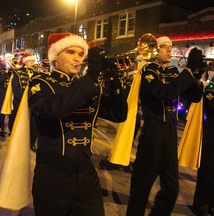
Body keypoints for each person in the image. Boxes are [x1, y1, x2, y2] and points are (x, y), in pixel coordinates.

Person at [28, 33, 128, 216]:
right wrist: (90, 77)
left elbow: (118, 114)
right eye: (71, 52)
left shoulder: (85, 86)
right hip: (53, 175)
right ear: (55, 57)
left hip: (86, 173)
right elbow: (52, 109)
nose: (78, 58)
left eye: (81, 54)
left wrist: (114, 81)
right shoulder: (40, 83)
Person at [126, 36, 204, 216]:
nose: (170, 50)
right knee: (141, 189)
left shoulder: (173, 71)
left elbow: (194, 97)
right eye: (164, 47)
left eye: (171, 46)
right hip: (153, 132)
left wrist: (197, 76)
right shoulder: (148, 71)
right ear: (154, 50)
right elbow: (165, 92)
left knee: (171, 190)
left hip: (169, 132)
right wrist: (188, 69)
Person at [192, 63, 214, 216]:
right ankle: (200, 204)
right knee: (207, 170)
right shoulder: (211, 87)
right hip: (212, 135)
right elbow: (210, 105)